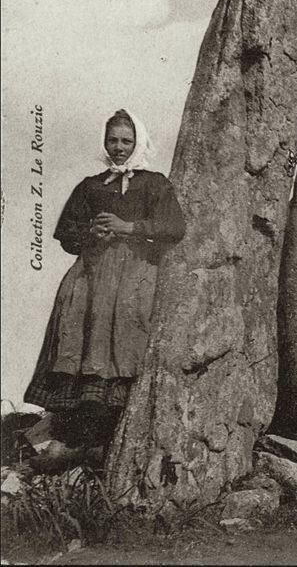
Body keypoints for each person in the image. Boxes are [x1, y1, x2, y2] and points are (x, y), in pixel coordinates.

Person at [23, 109, 185, 452]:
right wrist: (90, 232)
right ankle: (79, 441)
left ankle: (112, 441)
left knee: (124, 346)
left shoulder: (154, 183)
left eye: (127, 141)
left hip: (134, 277)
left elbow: (174, 228)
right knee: (83, 344)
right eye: (113, 140)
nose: (119, 147)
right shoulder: (91, 186)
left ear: (138, 142)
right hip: (90, 278)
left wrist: (130, 227)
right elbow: (67, 235)